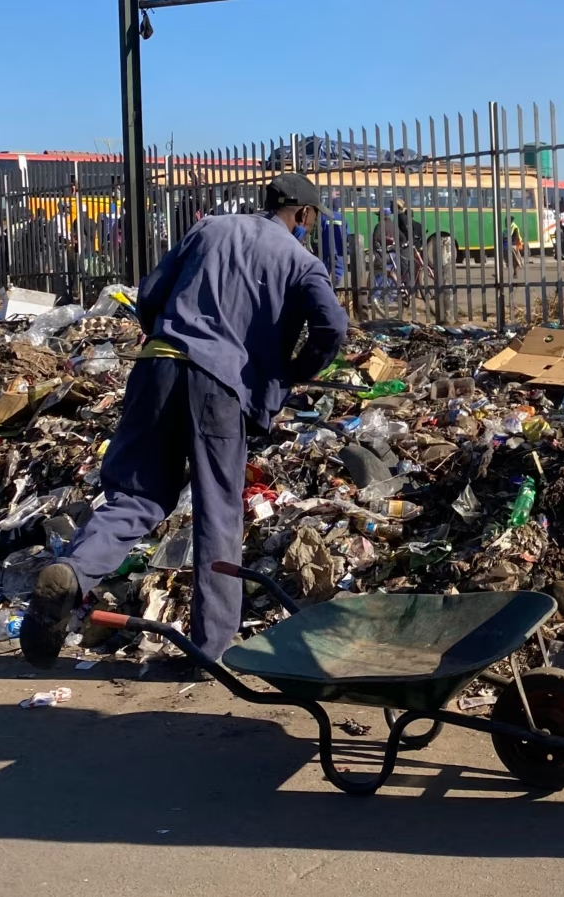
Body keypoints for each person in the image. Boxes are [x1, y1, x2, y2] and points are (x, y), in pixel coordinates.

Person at [19, 174, 348, 675]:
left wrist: (171, 338)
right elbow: (332, 329)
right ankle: (209, 650)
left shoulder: (209, 228)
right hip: (219, 389)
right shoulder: (301, 262)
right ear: (303, 215)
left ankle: (74, 570)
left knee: (137, 495)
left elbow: (149, 294)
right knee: (218, 512)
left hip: (155, 368)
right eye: (311, 219)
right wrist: (291, 372)